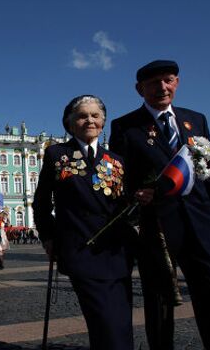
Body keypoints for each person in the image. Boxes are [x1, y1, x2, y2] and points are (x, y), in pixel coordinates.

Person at [109, 60, 210, 350]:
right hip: (156, 226)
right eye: (153, 83)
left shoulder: (195, 120)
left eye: (168, 80)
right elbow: (118, 178)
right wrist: (136, 194)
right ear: (139, 89)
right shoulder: (125, 127)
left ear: (177, 83)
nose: (162, 87)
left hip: (202, 220)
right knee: (159, 299)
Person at [33, 95, 134, 349]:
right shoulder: (57, 154)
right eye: (82, 115)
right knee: (103, 320)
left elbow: (125, 204)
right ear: (70, 122)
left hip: (117, 251)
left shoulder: (116, 160)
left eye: (95, 115)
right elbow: (41, 202)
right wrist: (48, 237)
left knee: (121, 320)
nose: (90, 120)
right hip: (81, 248)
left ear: (103, 122)